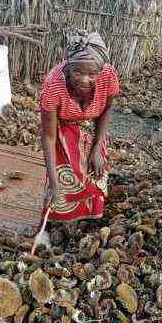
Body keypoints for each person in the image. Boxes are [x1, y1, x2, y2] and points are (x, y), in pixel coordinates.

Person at [40, 30, 120, 222]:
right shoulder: (53, 85)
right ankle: (59, 222)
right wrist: (52, 182)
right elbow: (48, 137)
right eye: (78, 72)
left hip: (91, 129)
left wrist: (97, 147)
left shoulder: (108, 75)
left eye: (92, 74)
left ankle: (91, 219)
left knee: (95, 174)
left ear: (100, 71)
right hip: (62, 130)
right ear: (68, 66)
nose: (84, 79)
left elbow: (106, 109)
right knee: (63, 182)